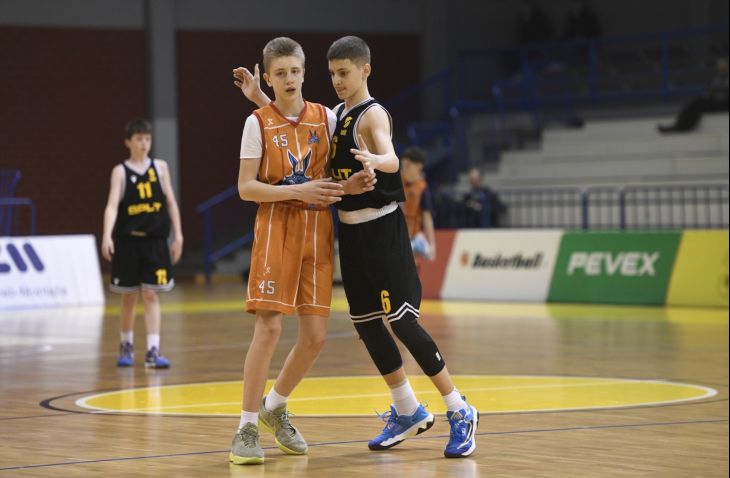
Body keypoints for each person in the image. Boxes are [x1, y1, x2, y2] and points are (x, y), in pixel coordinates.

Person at [234, 35, 478, 459]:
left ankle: (459, 409)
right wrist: (260, 96)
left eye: (342, 73)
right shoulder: (322, 116)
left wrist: (377, 164)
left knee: (377, 327)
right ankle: (402, 409)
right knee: (358, 324)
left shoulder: (351, 115)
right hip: (327, 231)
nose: (337, 81)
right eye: (333, 75)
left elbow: (389, 156)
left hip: (359, 231)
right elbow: (274, 135)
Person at [228, 37, 374, 466]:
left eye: (295, 71)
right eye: (280, 73)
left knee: (315, 338)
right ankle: (246, 426)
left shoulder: (326, 118)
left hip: (317, 233)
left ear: (305, 73)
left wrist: (346, 187)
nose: (289, 79)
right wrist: (300, 189)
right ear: (268, 77)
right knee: (269, 330)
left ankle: (276, 405)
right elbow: (245, 188)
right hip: (276, 231)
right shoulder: (256, 122)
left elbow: (334, 178)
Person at [100, 118, 183, 369]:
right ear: (128, 142)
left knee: (151, 294)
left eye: (147, 139)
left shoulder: (160, 168)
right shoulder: (120, 171)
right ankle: (126, 344)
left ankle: (153, 350)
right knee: (128, 297)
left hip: (156, 242)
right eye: (139, 139)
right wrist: (106, 234)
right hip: (128, 242)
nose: (144, 143)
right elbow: (112, 205)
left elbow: (170, 202)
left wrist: (178, 235)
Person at [658, 57, 729, 133]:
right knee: (695, 102)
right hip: (716, 102)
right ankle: (679, 124)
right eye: (720, 67)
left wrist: (717, 92)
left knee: (700, 105)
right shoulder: (717, 78)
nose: (721, 69)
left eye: (724, 67)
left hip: (725, 104)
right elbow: (710, 90)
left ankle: (683, 127)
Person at [400, 147, 436, 262]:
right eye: (403, 165)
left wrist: (432, 244)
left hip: (414, 236)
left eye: (408, 166)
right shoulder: (396, 182)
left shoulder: (422, 188)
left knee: (428, 256)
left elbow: (427, 217)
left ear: (419, 167)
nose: (404, 169)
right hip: (398, 234)